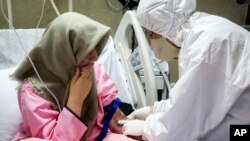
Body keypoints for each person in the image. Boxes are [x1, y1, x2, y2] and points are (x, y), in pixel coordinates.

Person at [118, 0, 250, 141]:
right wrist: (155, 109)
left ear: (163, 23)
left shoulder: (205, 46)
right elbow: (189, 100)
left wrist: (147, 129)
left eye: (150, 34)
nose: (150, 44)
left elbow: (187, 120)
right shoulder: (201, 31)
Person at [11, 12, 136, 141]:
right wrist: (76, 100)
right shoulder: (33, 90)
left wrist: (141, 129)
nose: (95, 56)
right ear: (64, 51)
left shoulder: (92, 68)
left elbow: (114, 116)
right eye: (86, 49)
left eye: (95, 47)